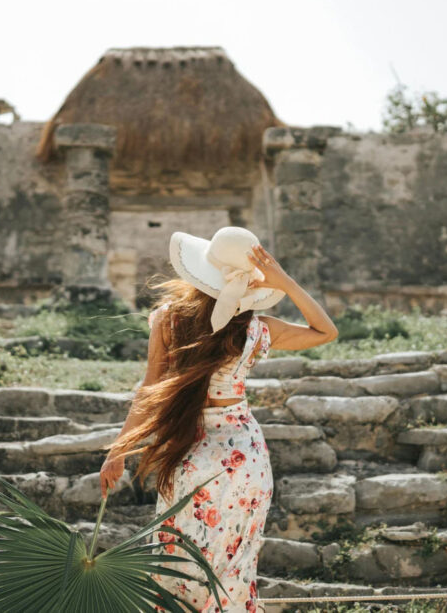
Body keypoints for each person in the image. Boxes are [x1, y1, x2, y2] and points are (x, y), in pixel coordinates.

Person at [99, 226, 339, 612]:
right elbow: (326, 331)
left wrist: (118, 451)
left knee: (178, 559)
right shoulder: (257, 329)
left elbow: (149, 391)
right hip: (244, 458)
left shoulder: (169, 320)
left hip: (191, 452)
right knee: (233, 567)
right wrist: (286, 282)